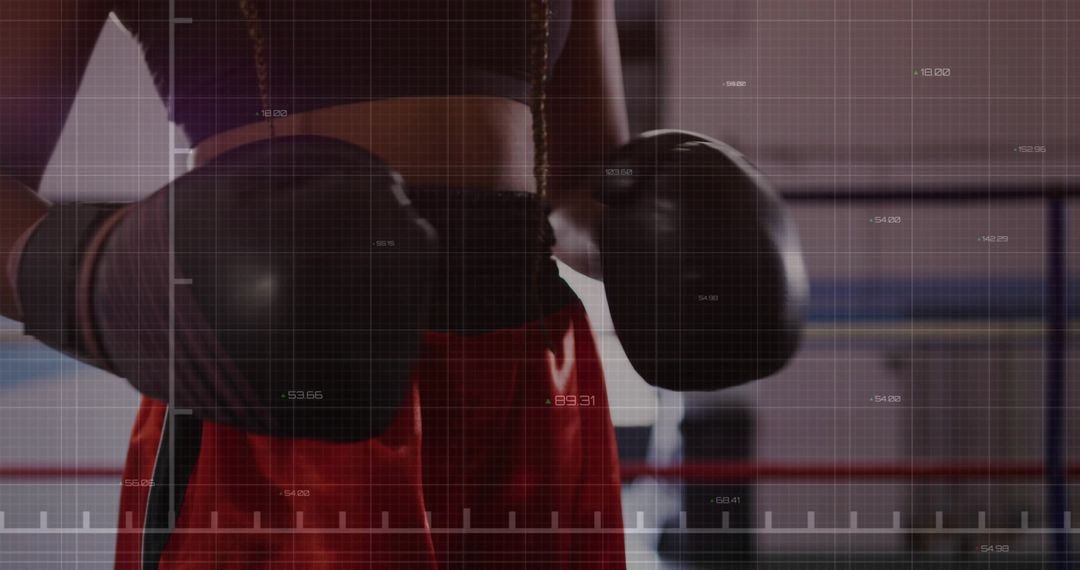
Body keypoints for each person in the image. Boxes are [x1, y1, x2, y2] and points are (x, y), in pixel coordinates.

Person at [0, 0, 630, 567]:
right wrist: (107, 277)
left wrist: (647, 230)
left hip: (529, 380)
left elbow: (580, 182)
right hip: (280, 376)